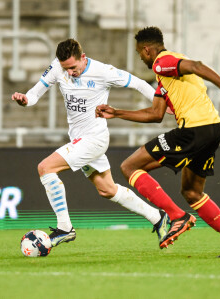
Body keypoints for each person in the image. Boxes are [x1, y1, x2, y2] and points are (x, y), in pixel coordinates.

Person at [96, 26, 220, 258]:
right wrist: (117, 113)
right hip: (212, 129)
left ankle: (177, 216)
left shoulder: (163, 62)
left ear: (147, 50)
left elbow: (197, 66)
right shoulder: (166, 76)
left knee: (129, 167)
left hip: (194, 129)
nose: (141, 58)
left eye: (140, 54)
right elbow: (155, 115)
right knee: (191, 192)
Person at [12, 38, 170, 248]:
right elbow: (36, 93)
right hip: (78, 139)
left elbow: (139, 83)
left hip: (94, 139)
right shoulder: (58, 67)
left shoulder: (103, 71)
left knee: (46, 168)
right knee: (107, 189)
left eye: (73, 68)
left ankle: (65, 228)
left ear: (83, 58)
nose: (69, 73)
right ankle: (158, 217)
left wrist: (162, 103)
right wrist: (25, 99)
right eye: (65, 68)